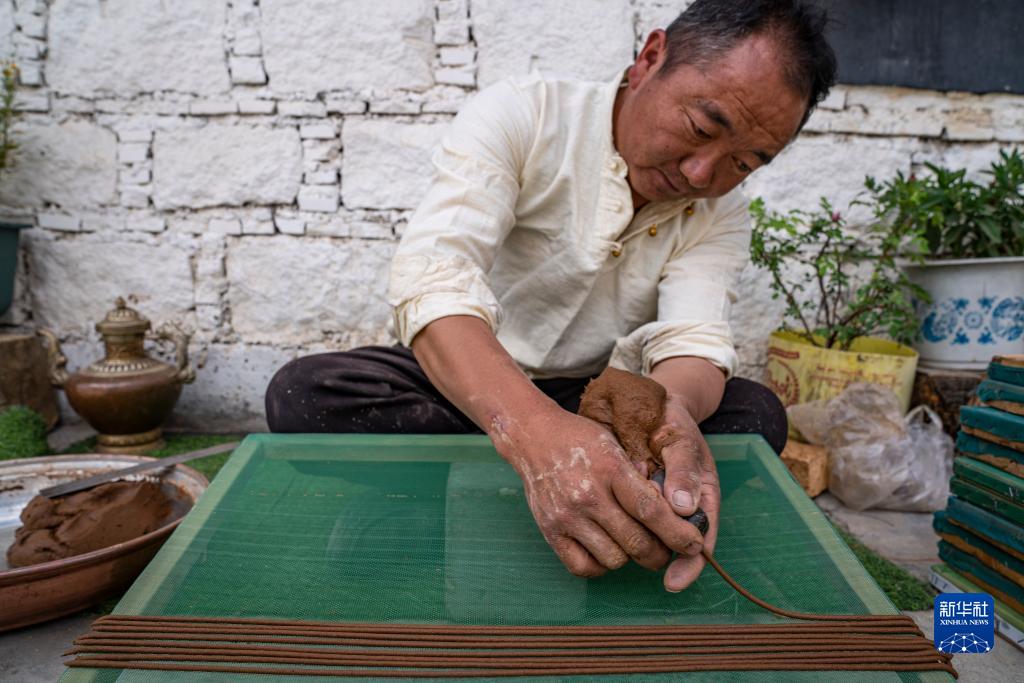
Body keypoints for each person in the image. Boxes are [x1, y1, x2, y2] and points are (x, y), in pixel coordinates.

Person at [266, 0, 837, 592]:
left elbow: (693, 344)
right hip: (470, 384)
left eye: (742, 162)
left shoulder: (721, 213)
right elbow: (434, 280)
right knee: (303, 394)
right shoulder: (525, 114)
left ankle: (434, 513)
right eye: (700, 128)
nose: (701, 174)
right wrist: (535, 437)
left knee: (754, 417)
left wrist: (667, 414)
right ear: (650, 58)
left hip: (597, 403)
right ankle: (553, 503)